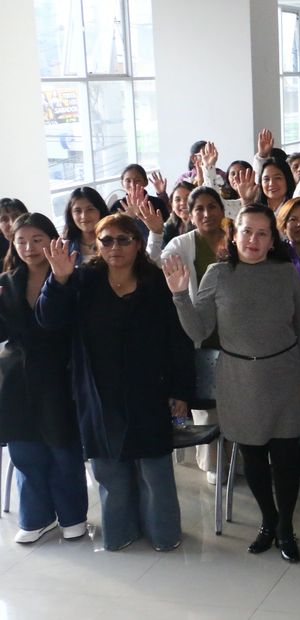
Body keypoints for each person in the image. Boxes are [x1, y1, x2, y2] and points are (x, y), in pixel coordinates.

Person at [166, 206, 300, 563]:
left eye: (262, 233)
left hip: (285, 375)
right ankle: (269, 521)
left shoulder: (285, 272)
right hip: (239, 378)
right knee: (253, 456)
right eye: (247, 231)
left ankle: (286, 528)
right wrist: (179, 296)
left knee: (286, 458)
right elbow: (199, 329)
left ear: (272, 240)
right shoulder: (217, 274)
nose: (253, 239)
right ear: (234, 236)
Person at [38, 214, 195, 552]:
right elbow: (49, 321)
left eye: (123, 239)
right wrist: (58, 279)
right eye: (106, 240)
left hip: (149, 390)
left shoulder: (156, 282)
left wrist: (180, 390)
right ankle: (121, 532)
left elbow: (178, 340)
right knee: (109, 471)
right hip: (98, 393)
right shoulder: (82, 280)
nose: (115, 247)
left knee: (155, 471)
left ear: (137, 244)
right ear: (97, 245)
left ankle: (163, 534)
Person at [0, 213, 89, 544]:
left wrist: (61, 280)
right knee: (24, 450)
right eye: (21, 241)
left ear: (53, 240)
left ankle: (72, 515)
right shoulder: (8, 282)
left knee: (63, 448)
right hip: (17, 378)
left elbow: (62, 323)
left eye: (37, 239)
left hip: (59, 374)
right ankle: (36, 517)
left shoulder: (72, 276)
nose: (29, 247)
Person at [143, 186, 232, 483]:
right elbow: (152, 266)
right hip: (200, 333)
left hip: (234, 331)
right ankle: (214, 463)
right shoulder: (181, 244)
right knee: (208, 404)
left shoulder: (235, 238)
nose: (207, 214)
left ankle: (238, 456)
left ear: (222, 210)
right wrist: (155, 234)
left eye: (212, 206)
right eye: (199, 209)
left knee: (235, 400)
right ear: (190, 215)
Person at [62, 186, 107, 264]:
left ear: (100, 211)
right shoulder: (65, 248)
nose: (84, 216)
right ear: (71, 215)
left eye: (90, 209)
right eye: (78, 211)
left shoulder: (114, 241)